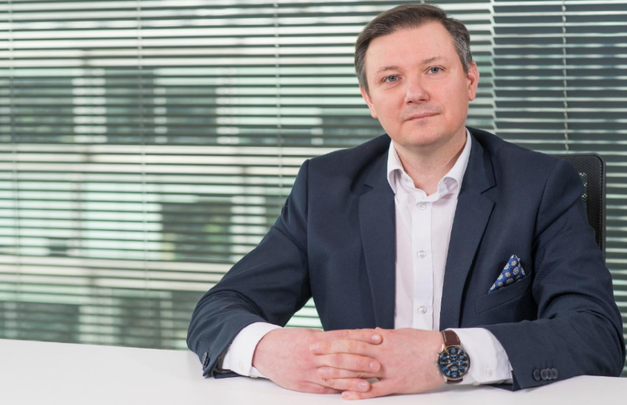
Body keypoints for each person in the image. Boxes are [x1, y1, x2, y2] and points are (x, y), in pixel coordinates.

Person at [187, 3, 625, 400]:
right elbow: (219, 309)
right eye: (391, 78)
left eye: (434, 70)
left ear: (470, 80)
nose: (414, 93)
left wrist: (447, 357)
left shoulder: (542, 184)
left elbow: (595, 334)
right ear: (369, 99)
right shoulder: (323, 187)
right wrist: (272, 350)